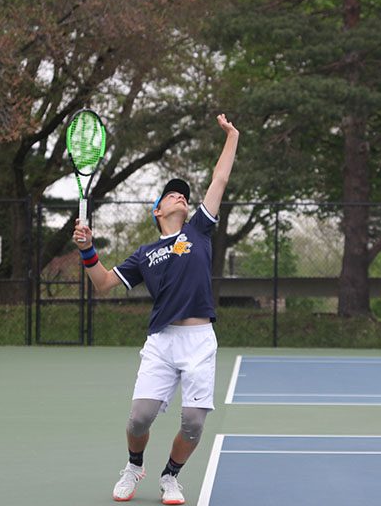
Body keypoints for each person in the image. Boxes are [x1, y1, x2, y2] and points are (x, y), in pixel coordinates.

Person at [73, 114, 239, 504]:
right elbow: (103, 284)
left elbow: (220, 180)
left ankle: (170, 476)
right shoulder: (144, 254)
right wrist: (86, 250)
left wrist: (231, 136)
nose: (180, 195)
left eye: (183, 193)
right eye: (171, 194)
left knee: (194, 424)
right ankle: (134, 466)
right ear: (157, 212)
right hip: (162, 342)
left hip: (199, 340)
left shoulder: (198, 229)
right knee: (139, 418)